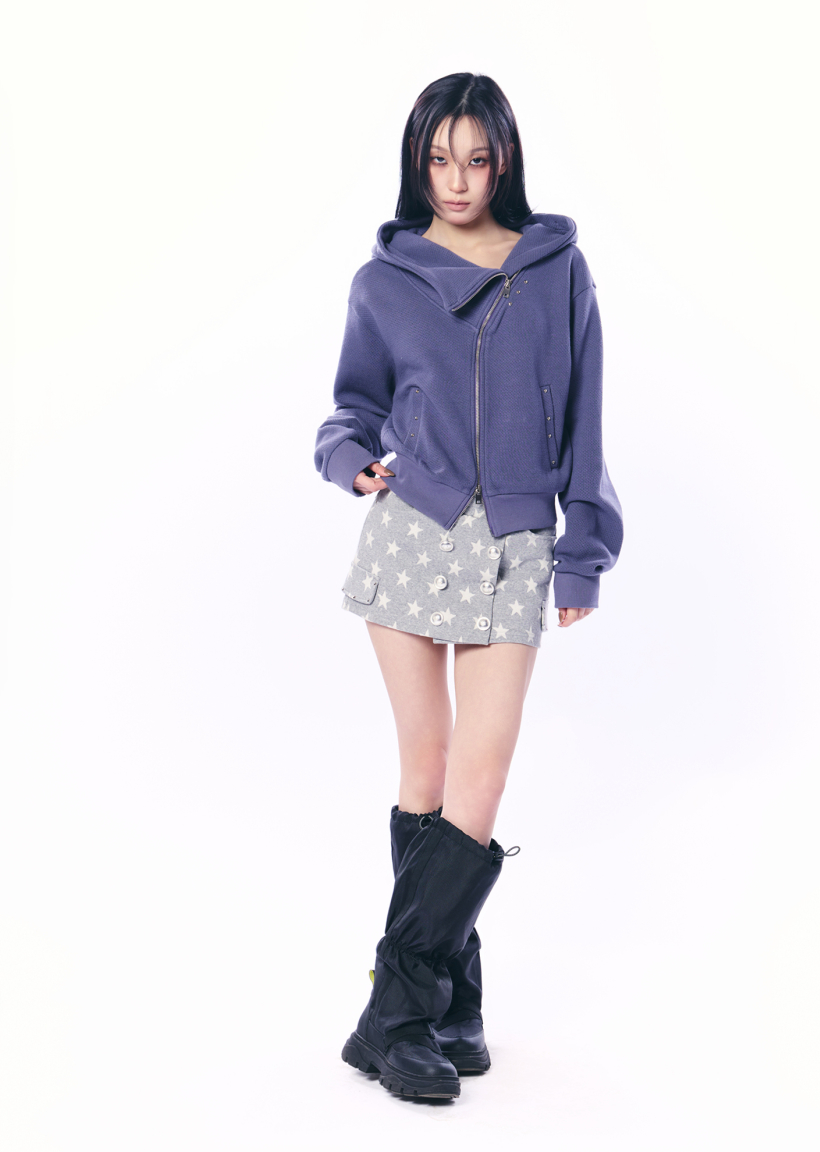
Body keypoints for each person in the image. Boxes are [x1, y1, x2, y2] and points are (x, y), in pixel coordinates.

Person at [313, 72, 624, 1099]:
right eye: (438, 160)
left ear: (504, 161)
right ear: (418, 162)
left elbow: (585, 419)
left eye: (475, 159)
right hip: (411, 532)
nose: (456, 180)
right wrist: (349, 460)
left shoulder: (557, 268)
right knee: (429, 769)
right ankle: (441, 1002)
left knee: (479, 782)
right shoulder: (384, 279)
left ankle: (392, 1014)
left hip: (516, 541)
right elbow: (352, 406)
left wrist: (583, 549)